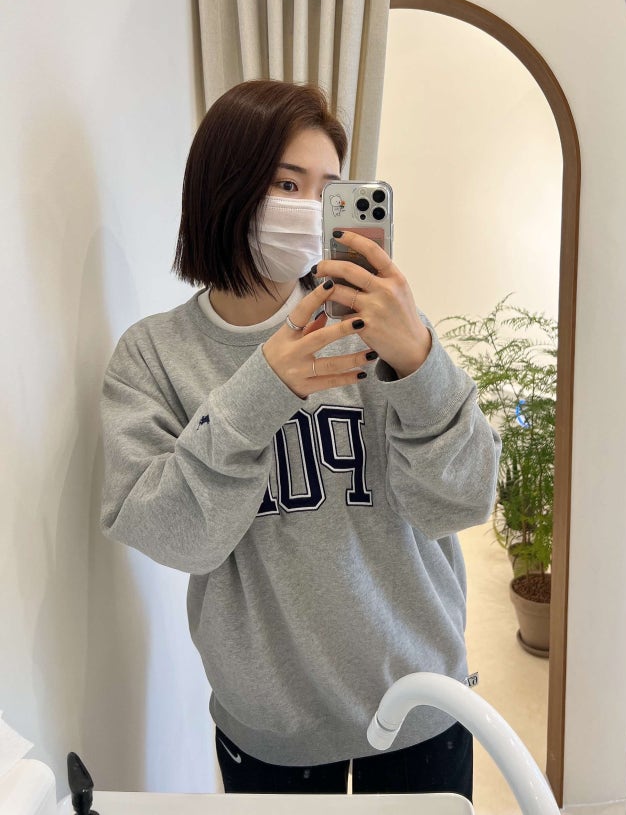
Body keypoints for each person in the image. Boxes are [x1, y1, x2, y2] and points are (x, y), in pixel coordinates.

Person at [100, 79, 501, 799]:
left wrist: (420, 363)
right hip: (271, 728)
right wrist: (264, 389)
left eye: (328, 190)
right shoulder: (153, 355)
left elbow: (464, 500)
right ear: (225, 187)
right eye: (288, 183)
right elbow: (176, 537)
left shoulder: (379, 329)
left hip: (421, 705)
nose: (310, 210)